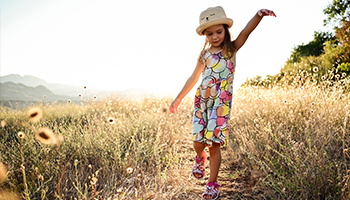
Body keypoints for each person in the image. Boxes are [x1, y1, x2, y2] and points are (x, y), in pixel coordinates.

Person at [169, 6, 276, 200]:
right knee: (197, 142)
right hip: (202, 100)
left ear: (225, 30)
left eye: (219, 31)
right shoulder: (204, 55)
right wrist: (178, 98)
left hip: (221, 104)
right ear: (205, 35)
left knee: (214, 144)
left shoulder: (231, 49)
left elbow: (246, 32)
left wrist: (258, 15)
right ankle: (200, 157)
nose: (215, 36)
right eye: (209, 33)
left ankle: (212, 184)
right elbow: (194, 77)